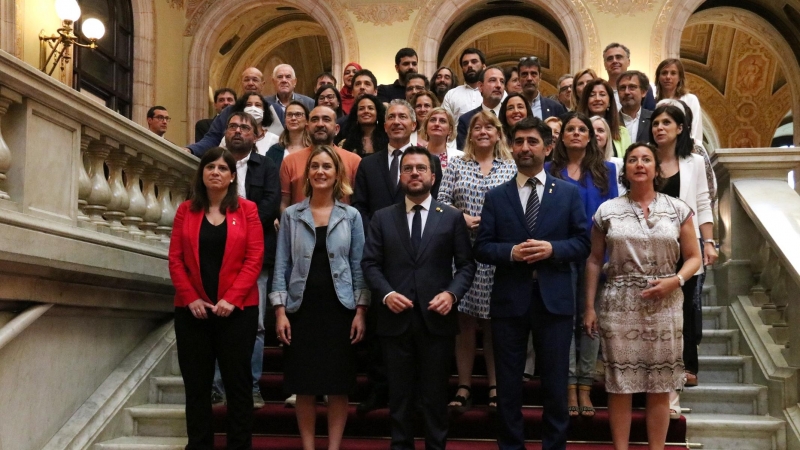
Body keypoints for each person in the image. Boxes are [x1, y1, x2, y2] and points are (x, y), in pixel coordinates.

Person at [474, 117, 590, 450]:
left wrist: (553, 249)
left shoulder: (568, 194)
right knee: (508, 387)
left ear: (549, 147)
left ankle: (554, 447)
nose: (525, 147)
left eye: (533, 141)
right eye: (519, 141)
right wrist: (511, 252)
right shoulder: (497, 196)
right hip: (510, 302)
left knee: (555, 385)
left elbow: (583, 244)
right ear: (511, 147)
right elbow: (482, 247)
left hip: (554, 301)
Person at [584, 142, 702, 450]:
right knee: (620, 384)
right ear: (624, 170)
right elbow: (595, 260)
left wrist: (674, 281)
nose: (639, 164)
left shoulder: (678, 209)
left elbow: (694, 258)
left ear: (656, 169)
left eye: (646, 159)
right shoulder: (606, 210)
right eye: (633, 159)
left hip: (665, 304)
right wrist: (589, 308)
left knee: (660, 384)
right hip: (618, 303)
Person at [361, 145, 477, 450]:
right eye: (408, 168)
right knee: (399, 398)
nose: (414, 173)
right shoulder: (383, 217)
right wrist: (386, 294)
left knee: (435, 398)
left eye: (420, 168)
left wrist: (451, 295)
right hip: (394, 320)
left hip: (436, 321)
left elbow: (466, 266)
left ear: (433, 175)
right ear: (400, 176)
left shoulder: (451, 217)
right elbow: (369, 264)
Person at [271, 145, 369, 450]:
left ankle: (334, 447)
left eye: (327, 166)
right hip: (301, 307)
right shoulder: (291, 215)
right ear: (307, 173)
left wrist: (361, 311)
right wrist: (280, 311)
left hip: (339, 307)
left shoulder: (351, 215)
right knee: (305, 385)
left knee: (338, 385)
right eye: (315, 166)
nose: (320, 172)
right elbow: (281, 264)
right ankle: (309, 446)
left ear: (337, 173)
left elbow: (358, 265)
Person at [169, 146, 264, 449]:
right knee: (196, 387)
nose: (215, 172)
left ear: (232, 176)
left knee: (237, 387)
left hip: (237, 313)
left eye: (223, 168)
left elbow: (254, 258)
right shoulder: (186, 210)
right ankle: (198, 445)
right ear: (202, 173)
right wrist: (191, 298)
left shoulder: (247, 210)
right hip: (192, 313)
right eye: (210, 167)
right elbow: (175, 260)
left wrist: (232, 299)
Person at [438, 110, 517, 413]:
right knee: (465, 323)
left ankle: (496, 386)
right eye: (477, 127)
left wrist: (494, 223)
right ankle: (464, 385)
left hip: (497, 252)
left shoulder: (510, 167)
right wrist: (462, 217)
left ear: (498, 133)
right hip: (463, 252)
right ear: (469, 135)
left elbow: (517, 203)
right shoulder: (457, 164)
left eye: (489, 127)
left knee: (495, 322)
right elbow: (441, 201)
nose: (483, 131)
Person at [546, 111, 620, 418]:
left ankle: (585, 385)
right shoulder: (550, 169)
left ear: (591, 137)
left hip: (596, 258)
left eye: (582, 129)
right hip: (560, 256)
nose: (576, 133)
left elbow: (613, 214)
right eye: (570, 129)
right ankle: (568, 383)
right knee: (565, 321)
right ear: (562, 137)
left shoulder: (606, 171)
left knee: (590, 322)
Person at [649, 103, 717, 401]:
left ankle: (687, 364)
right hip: (650, 245)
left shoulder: (694, 161)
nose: (660, 127)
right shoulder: (645, 158)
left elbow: (703, 202)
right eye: (655, 123)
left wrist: (709, 242)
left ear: (680, 128)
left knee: (686, 307)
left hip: (686, 245)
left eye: (666, 123)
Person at [186, 67, 282, 157]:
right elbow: (212, 138)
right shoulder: (229, 111)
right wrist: (191, 149)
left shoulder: (275, 110)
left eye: (255, 80)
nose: (250, 83)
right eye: (246, 80)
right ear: (241, 83)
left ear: (262, 84)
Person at [279, 106, 361, 210]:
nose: (320, 124)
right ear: (307, 128)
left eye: (326, 119)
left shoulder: (354, 161)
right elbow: (284, 203)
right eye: (315, 119)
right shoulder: (290, 161)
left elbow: (359, 203)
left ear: (336, 129)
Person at [655, 58, 704, 145]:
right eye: (664, 73)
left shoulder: (690, 100)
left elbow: (695, 129)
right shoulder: (654, 102)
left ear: (680, 78)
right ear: (658, 77)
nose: (668, 77)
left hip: (686, 148)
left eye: (673, 73)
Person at [456, 66, 507, 149]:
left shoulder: (510, 116)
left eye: (502, 81)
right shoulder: (466, 120)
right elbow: (463, 154)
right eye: (493, 80)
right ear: (480, 86)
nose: (498, 85)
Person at [577, 79, 630, 157]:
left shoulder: (622, 132)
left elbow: (627, 161)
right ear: (586, 101)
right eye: (592, 95)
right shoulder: (576, 130)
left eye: (602, 94)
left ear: (609, 102)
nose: (597, 98)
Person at [222, 91, 280, 155]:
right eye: (248, 105)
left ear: (264, 110)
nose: (253, 108)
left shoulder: (275, 140)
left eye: (258, 105)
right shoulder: (230, 137)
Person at [603, 43, 656, 110]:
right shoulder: (600, 91)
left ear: (628, 62)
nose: (614, 61)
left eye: (619, 57)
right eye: (610, 59)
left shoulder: (644, 86)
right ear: (605, 65)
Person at [442, 48, 486, 121]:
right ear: (462, 69)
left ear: (483, 66)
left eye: (474, 62)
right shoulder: (451, 95)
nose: (469, 65)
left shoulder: (495, 92)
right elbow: (444, 122)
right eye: (465, 63)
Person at [265, 101, 311, 169]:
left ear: (307, 121)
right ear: (285, 120)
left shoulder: (314, 149)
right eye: (289, 115)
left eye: (298, 115)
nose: (293, 118)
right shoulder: (274, 150)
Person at [618, 70, 653, 143]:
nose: (626, 92)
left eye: (632, 87)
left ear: (643, 92)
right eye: (622, 88)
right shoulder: (610, 121)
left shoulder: (653, 119)